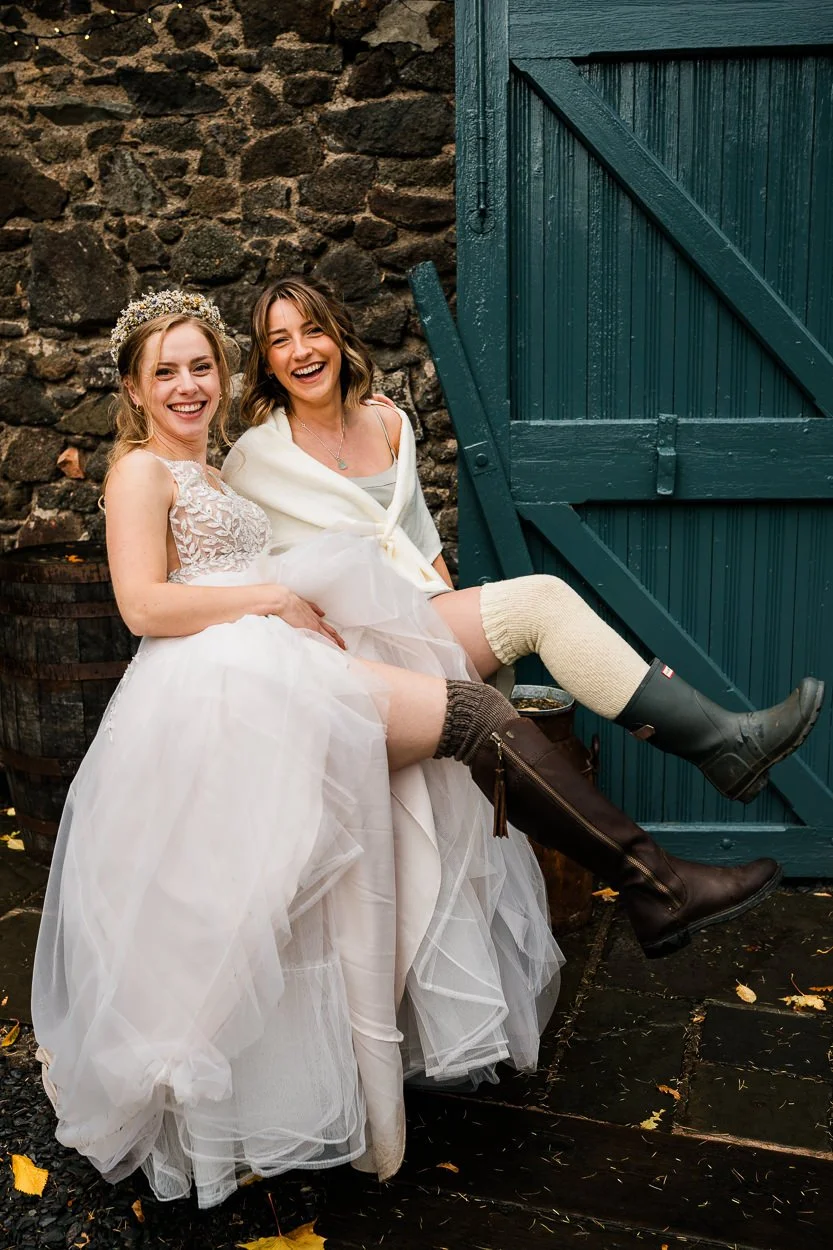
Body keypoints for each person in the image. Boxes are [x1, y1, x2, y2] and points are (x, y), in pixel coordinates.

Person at [32, 290, 779, 1213]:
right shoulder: (143, 472)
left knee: (432, 756)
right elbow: (144, 606)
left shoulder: (219, 473)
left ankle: (653, 883)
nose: (188, 386)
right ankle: (655, 884)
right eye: (166, 372)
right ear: (133, 389)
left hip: (271, 667)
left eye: (200, 367)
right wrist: (267, 603)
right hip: (221, 689)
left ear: (224, 377)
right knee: (464, 721)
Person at [223, 276, 824, 809]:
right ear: (267, 364)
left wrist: (458, 645)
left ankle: (716, 754)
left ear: (339, 337)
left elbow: (418, 538)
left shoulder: (389, 422)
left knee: (531, 620)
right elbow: (244, 576)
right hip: (350, 647)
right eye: (279, 341)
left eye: (312, 331)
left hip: (421, 615)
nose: (300, 351)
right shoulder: (255, 458)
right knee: (542, 600)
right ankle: (720, 744)